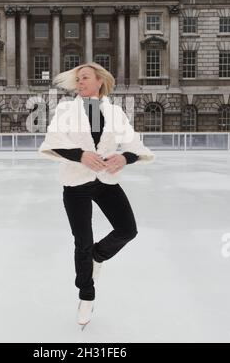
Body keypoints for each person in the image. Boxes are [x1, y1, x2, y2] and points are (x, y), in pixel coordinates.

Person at [38, 63, 155, 329]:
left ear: (99, 81)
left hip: (105, 182)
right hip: (76, 183)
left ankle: (98, 257)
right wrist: (81, 155)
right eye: (77, 79)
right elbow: (53, 141)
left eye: (85, 78)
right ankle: (86, 296)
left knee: (127, 230)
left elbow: (135, 146)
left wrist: (124, 158)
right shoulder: (66, 110)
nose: (79, 82)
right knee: (82, 242)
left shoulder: (114, 112)